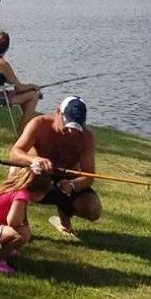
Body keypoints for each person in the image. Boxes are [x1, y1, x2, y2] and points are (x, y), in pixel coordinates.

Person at [9, 96, 101, 237]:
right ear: (58, 112)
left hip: (66, 181)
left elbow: (89, 176)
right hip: (37, 175)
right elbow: (15, 152)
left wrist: (72, 185)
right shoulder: (39, 124)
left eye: (76, 127)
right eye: (68, 124)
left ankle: (64, 217)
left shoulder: (87, 138)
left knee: (93, 210)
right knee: (15, 170)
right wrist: (33, 159)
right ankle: (22, 225)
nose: (71, 131)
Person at [0, 32, 42, 133]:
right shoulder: (1, 64)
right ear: (7, 48)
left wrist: (27, 87)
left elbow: (7, 80)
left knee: (26, 94)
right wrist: (32, 86)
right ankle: (22, 132)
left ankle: (26, 129)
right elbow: (18, 87)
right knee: (34, 95)